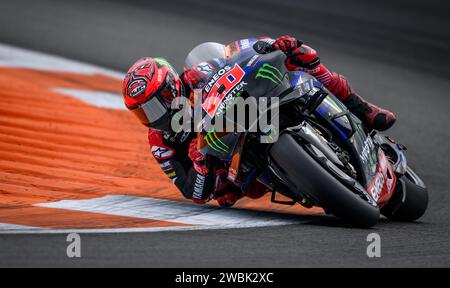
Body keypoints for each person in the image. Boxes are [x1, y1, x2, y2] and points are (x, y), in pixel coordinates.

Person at [122, 35, 396, 207]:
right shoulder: (161, 143)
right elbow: (191, 193)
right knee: (230, 195)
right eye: (144, 112)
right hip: (234, 165)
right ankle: (309, 180)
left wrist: (271, 46)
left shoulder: (197, 74)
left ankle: (362, 109)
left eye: (158, 103)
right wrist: (201, 166)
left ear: (172, 86)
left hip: (253, 107)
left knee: (301, 60)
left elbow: (238, 52)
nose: (155, 116)